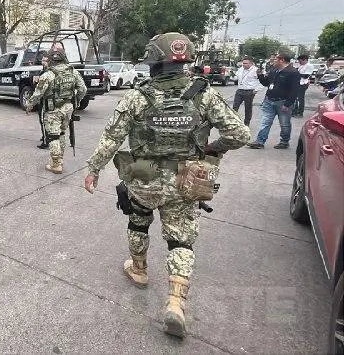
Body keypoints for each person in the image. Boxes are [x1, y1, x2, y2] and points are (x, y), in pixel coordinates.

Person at [82, 33, 250, 338]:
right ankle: (175, 303)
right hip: (187, 181)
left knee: (138, 221)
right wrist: (213, 149)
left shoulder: (136, 96)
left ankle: (140, 270)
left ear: (153, 61)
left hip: (143, 178)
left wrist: (93, 169)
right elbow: (240, 134)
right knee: (181, 241)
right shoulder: (204, 94)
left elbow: (111, 138)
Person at [24, 45, 87, 173]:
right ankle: (60, 159)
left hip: (52, 110)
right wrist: (77, 102)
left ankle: (56, 165)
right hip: (68, 109)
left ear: (51, 59)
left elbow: (38, 94)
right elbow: (83, 89)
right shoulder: (73, 72)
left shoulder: (48, 75)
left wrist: (29, 105)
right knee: (62, 133)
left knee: (53, 137)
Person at [247, 53, 300, 149]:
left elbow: (295, 90)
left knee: (284, 124)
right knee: (265, 122)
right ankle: (260, 141)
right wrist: (260, 76)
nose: (273, 61)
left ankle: (284, 141)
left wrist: (288, 104)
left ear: (282, 60)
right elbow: (267, 82)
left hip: (283, 102)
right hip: (269, 100)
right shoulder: (274, 70)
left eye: (275, 59)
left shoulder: (293, 72)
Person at [232, 57, 260, 125]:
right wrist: (232, 76)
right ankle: (233, 122)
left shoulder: (256, 70)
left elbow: (262, 81)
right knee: (235, 107)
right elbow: (236, 77)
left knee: (248, 108)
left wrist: (256, 90)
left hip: (249, 91)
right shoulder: (241, 69)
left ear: (251, 63)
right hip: (240, 90)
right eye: (243, 63)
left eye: (246, 63)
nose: (244, 65)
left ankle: (246, 123)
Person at [37, 51, 51, 149]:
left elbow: (40, 89)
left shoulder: (47, 72)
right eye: (42, 60)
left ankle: (46, 141)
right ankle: (45, 137)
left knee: (43, 120)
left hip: (45, 100)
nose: (43, 62)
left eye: (45, 61)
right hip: (46, 100)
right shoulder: (44, 71)